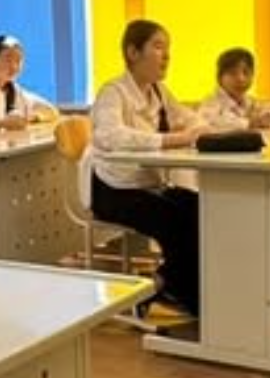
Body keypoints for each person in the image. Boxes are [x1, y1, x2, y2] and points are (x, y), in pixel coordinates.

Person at [89, 20, 210, 315]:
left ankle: (165, 283)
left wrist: (200, 129)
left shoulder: (159, 91)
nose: (167, 56)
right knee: (176, 222)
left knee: (203, 209)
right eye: (158, 47)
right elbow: (110, 136)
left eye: (168, 48)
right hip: (114, 190)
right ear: (133, 52)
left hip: (148, 184)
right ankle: (185, 295)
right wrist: (172, 139)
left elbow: (189, 118)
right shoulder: (112, 92)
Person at [0, 34, 58, 130]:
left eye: (18, 60)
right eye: (8, 60)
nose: (14, 67)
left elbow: (51, 111)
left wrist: (31, 118)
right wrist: (0, 123)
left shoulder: (18, 92)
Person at [198, 48, 270, 130]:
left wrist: (268, 116)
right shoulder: (212, 101)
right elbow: (209, 121)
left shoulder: (249, 101)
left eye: (246, 72)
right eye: (232, 73)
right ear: (220, 78)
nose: (241, 79)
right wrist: (249, 123)